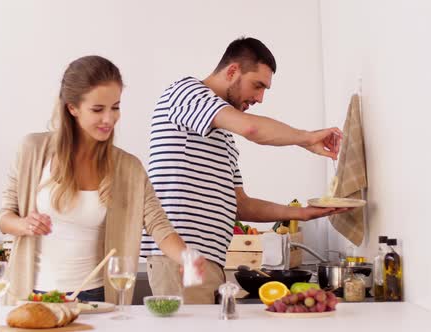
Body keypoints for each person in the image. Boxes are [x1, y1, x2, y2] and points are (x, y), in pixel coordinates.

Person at [140, 37, 349, 304]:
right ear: (232, 71)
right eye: (257, 85)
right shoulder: (186, 92)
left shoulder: (222, 135)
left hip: (208, 259)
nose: (260, 98)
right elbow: (251, 128)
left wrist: (303, 214)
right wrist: (307, 138)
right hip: (181, 257)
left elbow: (241, 205)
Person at [0, 55, 203, 305]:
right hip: (32, 295)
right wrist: (25, 225)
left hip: (96, 298)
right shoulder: (33, 149)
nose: (109, 119)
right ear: (72, 108)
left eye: (115, 107)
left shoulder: (128, 168)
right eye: (98, 109)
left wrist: (185, 256)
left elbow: (159, 225)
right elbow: (5, 217)